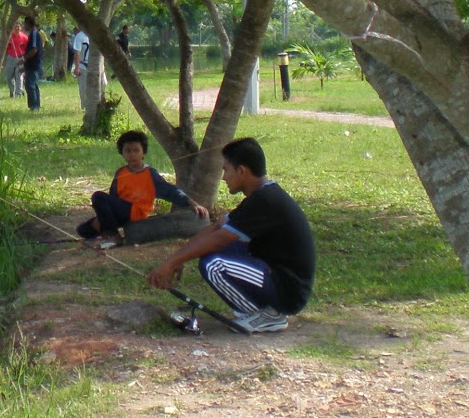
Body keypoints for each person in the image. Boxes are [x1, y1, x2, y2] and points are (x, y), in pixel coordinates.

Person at [145, 136, 314, 333]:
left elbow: (218, 240)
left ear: (242, 171)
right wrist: (177, 258)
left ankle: (267, 315)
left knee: (213, 263)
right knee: (211, 252)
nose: (224, 177)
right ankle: (260, 313)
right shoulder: (261, 196)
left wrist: (170, 264)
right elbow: (216, 228)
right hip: (272, 274)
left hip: (287, 291)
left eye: (226, 170)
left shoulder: (265, 201)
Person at [77, 130, 206, 242]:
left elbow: (170, 191)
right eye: (127, 151)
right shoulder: (120, 173)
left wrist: (192, 203)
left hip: (137, 212)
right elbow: (112, 198)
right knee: (83, 230)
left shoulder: (150, 173)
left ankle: (113, 236)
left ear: (143, 153)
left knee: (98, 196)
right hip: (122, 212)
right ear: (122, 153)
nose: (132, 154)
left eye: (136, 150)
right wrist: (103, 217)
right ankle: (108, 230)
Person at [22, 16, 47, 110]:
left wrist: (25, 59)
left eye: (25, 24)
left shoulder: (34, 34)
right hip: (32, 64)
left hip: (33, 64)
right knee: (33, 84)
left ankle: (34, 106)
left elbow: (34, 50)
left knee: (30, 85)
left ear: (28, 23)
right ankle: (36, 105)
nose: (24, 26)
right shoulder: (34, 34)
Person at [4, 20, 28, 97]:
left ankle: (19, 93)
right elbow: (6, 48)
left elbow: (27, 48)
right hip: (10, 57)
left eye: (18, 27)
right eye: (15, 27)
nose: (17, 28)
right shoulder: (9, 37)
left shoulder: (24, 37)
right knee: (9, 77)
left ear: (20, 27)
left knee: (19, 76)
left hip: (21, 58)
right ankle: (12, 91)